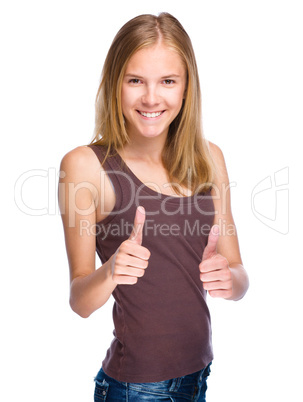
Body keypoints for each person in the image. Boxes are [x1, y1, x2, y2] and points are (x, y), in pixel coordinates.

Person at [58, 12, 249, 401]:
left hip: (199, 376)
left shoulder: (210, 158)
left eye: (167, 81)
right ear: (116, 84)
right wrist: (111, 270)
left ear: (185, 88)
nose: (150, 97)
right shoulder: (85, 166)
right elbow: (79, 301)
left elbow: (239, 275)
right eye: (135, 81)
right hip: (135, 389)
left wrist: (229, 282)